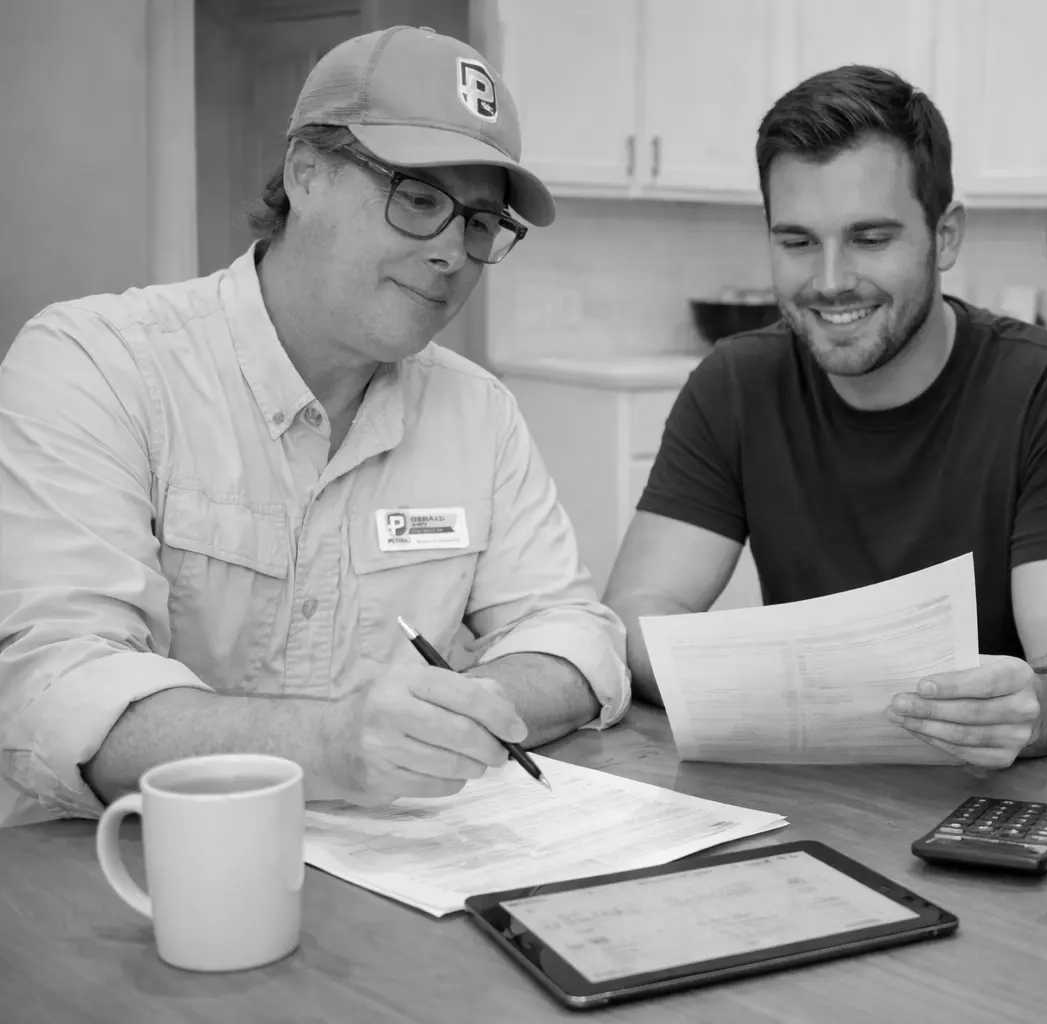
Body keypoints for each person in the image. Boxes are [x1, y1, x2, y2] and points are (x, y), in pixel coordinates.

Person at [0, 26, 629, 823]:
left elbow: (572, 634)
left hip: (396, 888)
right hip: (122, 884)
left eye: (478, 221)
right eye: (419, 198)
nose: (452, 254)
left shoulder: (479, 412)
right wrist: (333, 746)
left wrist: (459, 711)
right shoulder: (94, 366)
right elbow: (52, 688)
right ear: (305, 174)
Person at [603, 66, 1047, 768]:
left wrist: (1033, 708)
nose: (829, 281)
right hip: (803, 787)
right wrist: (759, 681)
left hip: (990, 800)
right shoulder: (736, 384)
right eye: (796, 242)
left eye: (870, 238)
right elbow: (636, 608)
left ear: (945, 238)